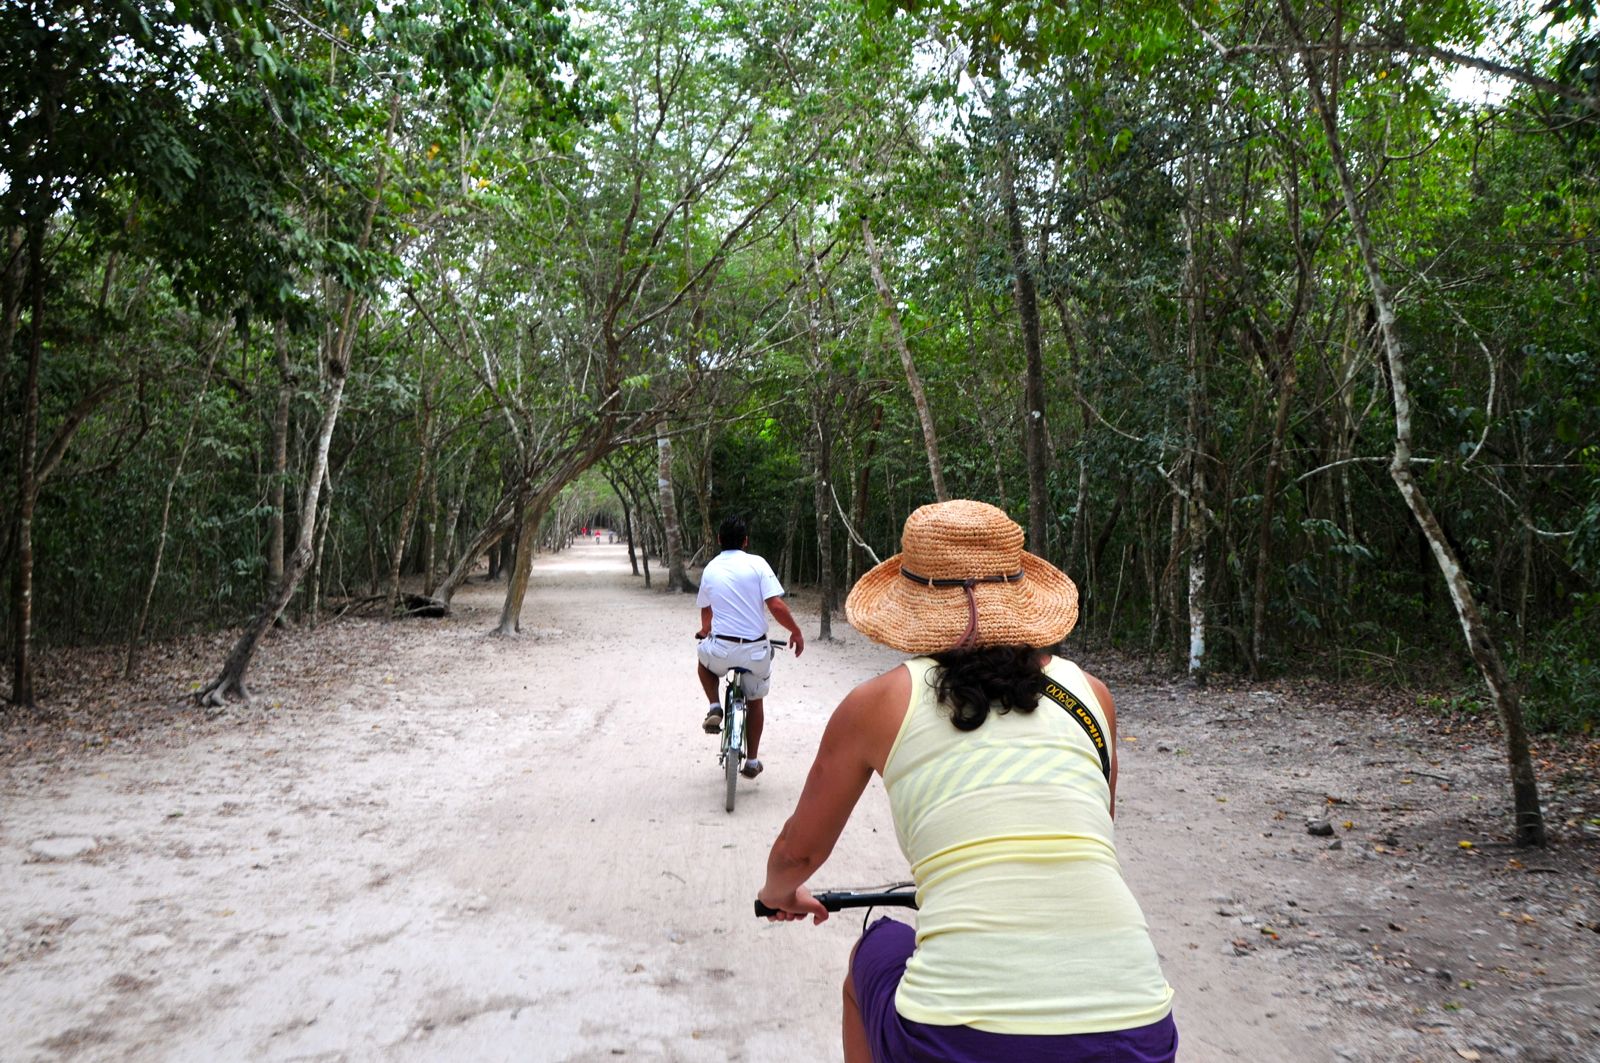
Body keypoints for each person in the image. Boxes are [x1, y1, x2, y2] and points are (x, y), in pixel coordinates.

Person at [757, 500, 1177, 1062]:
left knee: (871, 957)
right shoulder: (1093, 695)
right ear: (1021, 598)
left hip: (955, 1034)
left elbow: (798, 851)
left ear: (911, 603)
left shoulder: (876, 704)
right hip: (1138, 1025)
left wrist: (778, 894)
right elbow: (1096, 828)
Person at [695, 516, 805, 779]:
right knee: (755, 701)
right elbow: (776, 605)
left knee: (703, 663)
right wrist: (796, 632)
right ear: (745, 541)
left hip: (721, 649)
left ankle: (714, 706)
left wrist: (705, 631)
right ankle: (753, 761)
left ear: (719, 540)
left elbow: (707, 609)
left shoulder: (710, 568)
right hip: (755, 651)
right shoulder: (758, 564)